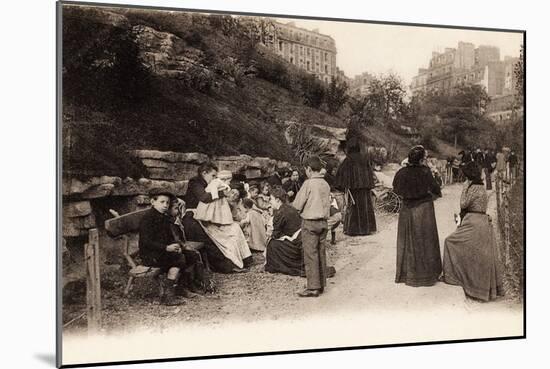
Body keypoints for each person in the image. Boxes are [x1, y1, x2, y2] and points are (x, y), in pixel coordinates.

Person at [442, 162, 504, 301]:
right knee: (474, 252)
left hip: (473, 221)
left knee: (450, 242)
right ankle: (473, 283)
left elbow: (463, 204)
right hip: (481, 221)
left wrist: (464, 188)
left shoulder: (473, 187)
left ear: (468, 176)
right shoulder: (481, 186)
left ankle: (455, 277)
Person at [182, 162, 252, 273]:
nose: (215, 178)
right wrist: (223, 193)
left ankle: (245, 259)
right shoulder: (195, 182)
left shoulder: (211, 183)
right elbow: (204, 197)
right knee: (210, 240)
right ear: (204, 173)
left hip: (207, 217)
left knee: (232, 229)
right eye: (213, 176)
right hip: (192, 219)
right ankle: (227, 266)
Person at [392, 145, 442, 287]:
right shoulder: (425, 172)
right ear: (421, 160)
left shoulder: (401, 172)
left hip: (406, 209)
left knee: (407, 240)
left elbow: (396, 188)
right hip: (423, 209)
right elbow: (436, 189)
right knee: (425, 239)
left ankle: (406, 274)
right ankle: (426, 275)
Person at [138, 189, 189, 305]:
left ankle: (179, 288)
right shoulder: (147, 219)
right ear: (152, 202)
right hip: (150, 254)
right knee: (178, 259)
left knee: (188, 254)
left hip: (161, 251)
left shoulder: (164, 217)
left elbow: (170, 236)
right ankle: (168, 295)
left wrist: (176, 245)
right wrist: (166, 248)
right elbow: (146, 242)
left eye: (167, 203)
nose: (165, 205)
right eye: (162, 202)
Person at [292, 156, 331, 297]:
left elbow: (297, 204)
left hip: (310, 222)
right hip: (323, 222)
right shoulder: (325, 184)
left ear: (308, 169)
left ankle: (313, 287)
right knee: (321, 253)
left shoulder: (308, 184)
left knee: (310, 254)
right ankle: (321, 284)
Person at [334, 136, 377, 236]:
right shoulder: (364, 159)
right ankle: (366, 229)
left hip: (353, 189)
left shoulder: (348, 160)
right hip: (365, 188)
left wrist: (342, 186)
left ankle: (353, 230)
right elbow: (370, 174)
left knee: (353, 208)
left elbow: (340, 175)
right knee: (365, 207)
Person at [265, 186, 304, 276]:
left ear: (278, 200)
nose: (270, 202)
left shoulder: (280, 213)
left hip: (296, 243)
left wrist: (269, 233)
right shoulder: (289, 207)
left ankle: (279, 266)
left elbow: (275, 235)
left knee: (272, 244)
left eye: (271, 199)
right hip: (301, 237)